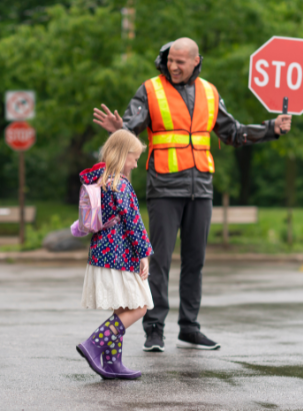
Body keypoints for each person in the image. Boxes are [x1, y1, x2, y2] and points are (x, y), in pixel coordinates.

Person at [93, 37, 292, 351]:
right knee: (157, 261)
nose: (173, 66)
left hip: (201, 189)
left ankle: (189, 327)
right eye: (170, 60)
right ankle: (154, 329)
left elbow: (234, 132)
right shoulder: (150, 90)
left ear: (196, 61)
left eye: (180, 61)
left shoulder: (209, 93)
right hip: (164, 187)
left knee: (195, 261)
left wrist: (271, 128)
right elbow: (130, 133)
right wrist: (121, 130)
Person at [76, 130, 154, 379]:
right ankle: (94, 344)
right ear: (123, 155)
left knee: (123, 307)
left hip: (101, 251)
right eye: (134, 157)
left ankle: (112, 363)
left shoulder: (99, 179)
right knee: (139, 306)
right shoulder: (120, 183)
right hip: (119, 254)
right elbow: (132, 221)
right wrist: (144, 253)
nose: (136, 163)